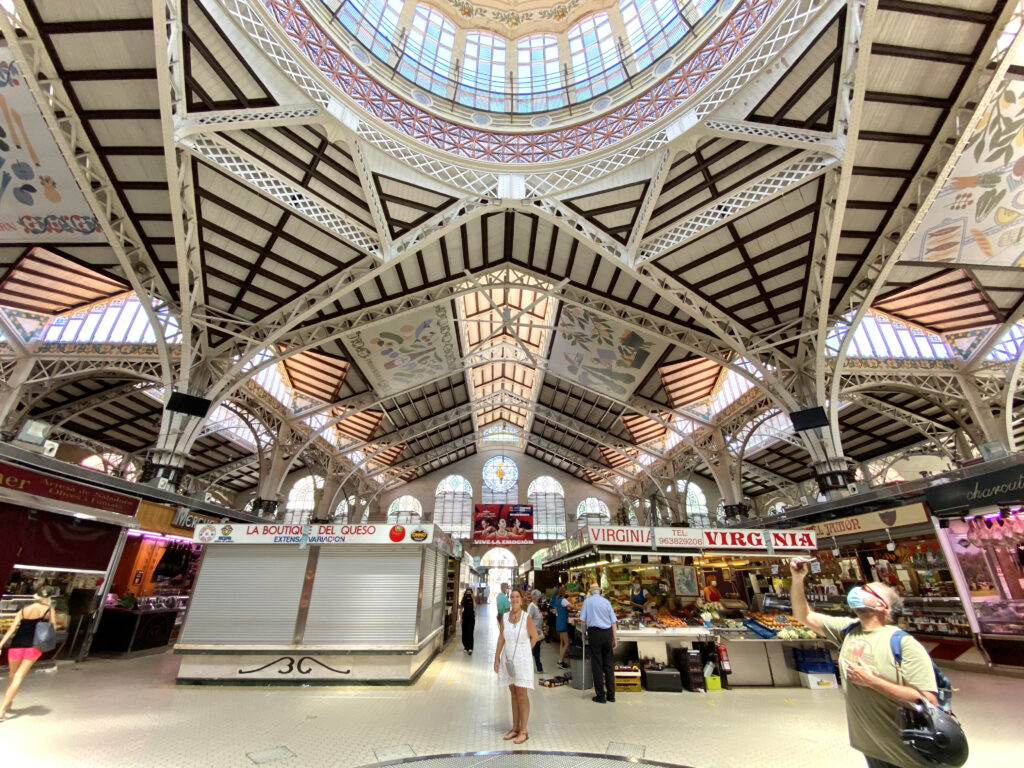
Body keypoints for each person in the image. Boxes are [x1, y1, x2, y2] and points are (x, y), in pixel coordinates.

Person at [789, 559, 938, 768]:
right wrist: (797, 579)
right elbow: (803, 615)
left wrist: (873, 682)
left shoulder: (902, 643)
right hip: (871, 747)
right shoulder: (848, 631)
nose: (858, 591)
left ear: (880, 605)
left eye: (867, 590)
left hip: (907, 754)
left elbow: (928, 700)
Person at [0, 586, 65, 721]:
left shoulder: (23, 610)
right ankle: (2, 709)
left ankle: (8, 703)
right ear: (48, 598)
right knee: (18, 677)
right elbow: (52, 627)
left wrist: (0, 645)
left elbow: (12, 629)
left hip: (16, 645)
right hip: (34, 647)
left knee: (12, 675)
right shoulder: (49, 610)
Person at [493, 589, 540, 744]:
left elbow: (535, 637)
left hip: (522, 660)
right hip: (508, 660)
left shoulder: (526, 618)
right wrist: (497, 658)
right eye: (512, 597)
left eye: (517, 597)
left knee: (522, 693)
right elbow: (501, 638)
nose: (514, 599)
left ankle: (524, 730)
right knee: (513, 692)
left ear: (522, 600)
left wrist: (525, 651)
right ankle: (515, 728)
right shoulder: (505, 618)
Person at [578, 581, 618, 703]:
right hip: (607, 634)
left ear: (590, 592)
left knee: (597, 664)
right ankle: (611, 695)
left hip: (594, 633)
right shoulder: (606, 602)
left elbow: (583, 620)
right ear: (600, 591)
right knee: (608, 664)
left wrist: (585, 633)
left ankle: (600, 695)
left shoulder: (587, 602)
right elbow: (613, 622)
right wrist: (614, 638)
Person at [527, 590, 544, 673]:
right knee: (535, 650)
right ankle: (538, 667)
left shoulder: (536, 607)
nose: (540, 598)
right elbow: (528, 619)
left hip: (537, 633)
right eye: (539, 596)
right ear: (535, 597)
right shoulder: (531, 607)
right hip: (533, 632)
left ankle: (539, 667)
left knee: (537, 650)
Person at [554, 585, 571, 669]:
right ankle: (560, 661)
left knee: (562, 643)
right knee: (567, 642)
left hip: (558, 621)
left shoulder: (558, 600)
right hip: (563, 622)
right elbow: (572, 606)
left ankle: (561, 660)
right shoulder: (564, 600)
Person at [459, 587, 476, 655]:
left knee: (470, 632)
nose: (468, 594)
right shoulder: (464, 599)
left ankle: (470, 648)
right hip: (465, 617)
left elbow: (475, 607)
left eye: (470, 592)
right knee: (464, 632)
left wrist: (473, 598)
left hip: (471, 618)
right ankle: (466, 647)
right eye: (467, 592)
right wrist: (461, 618)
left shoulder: (472, 599)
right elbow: (461, 609)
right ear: (465, 593)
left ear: (471, 593)